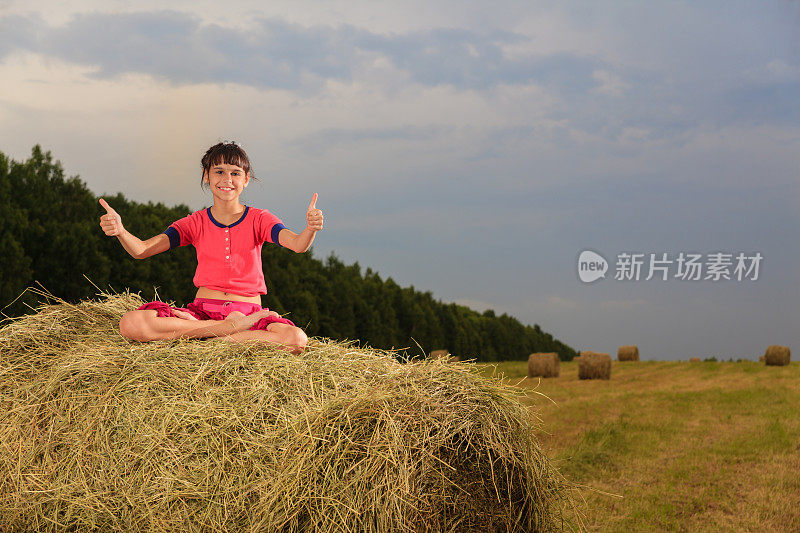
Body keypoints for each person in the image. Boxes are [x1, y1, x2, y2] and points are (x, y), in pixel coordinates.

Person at [99, 141, 323, 354]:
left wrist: (310, 228)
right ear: (206, 176)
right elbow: (142, 250)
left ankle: (211, 338)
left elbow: (297, 244)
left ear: (246, 179)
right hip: (202, 313)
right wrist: (121, 231)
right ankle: (226, 331)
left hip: (249, 314)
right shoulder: (195, 222)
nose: (227, 179)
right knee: (131, 323)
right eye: (219, 171)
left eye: (235, 173)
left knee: (296, 339)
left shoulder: (260, 219)